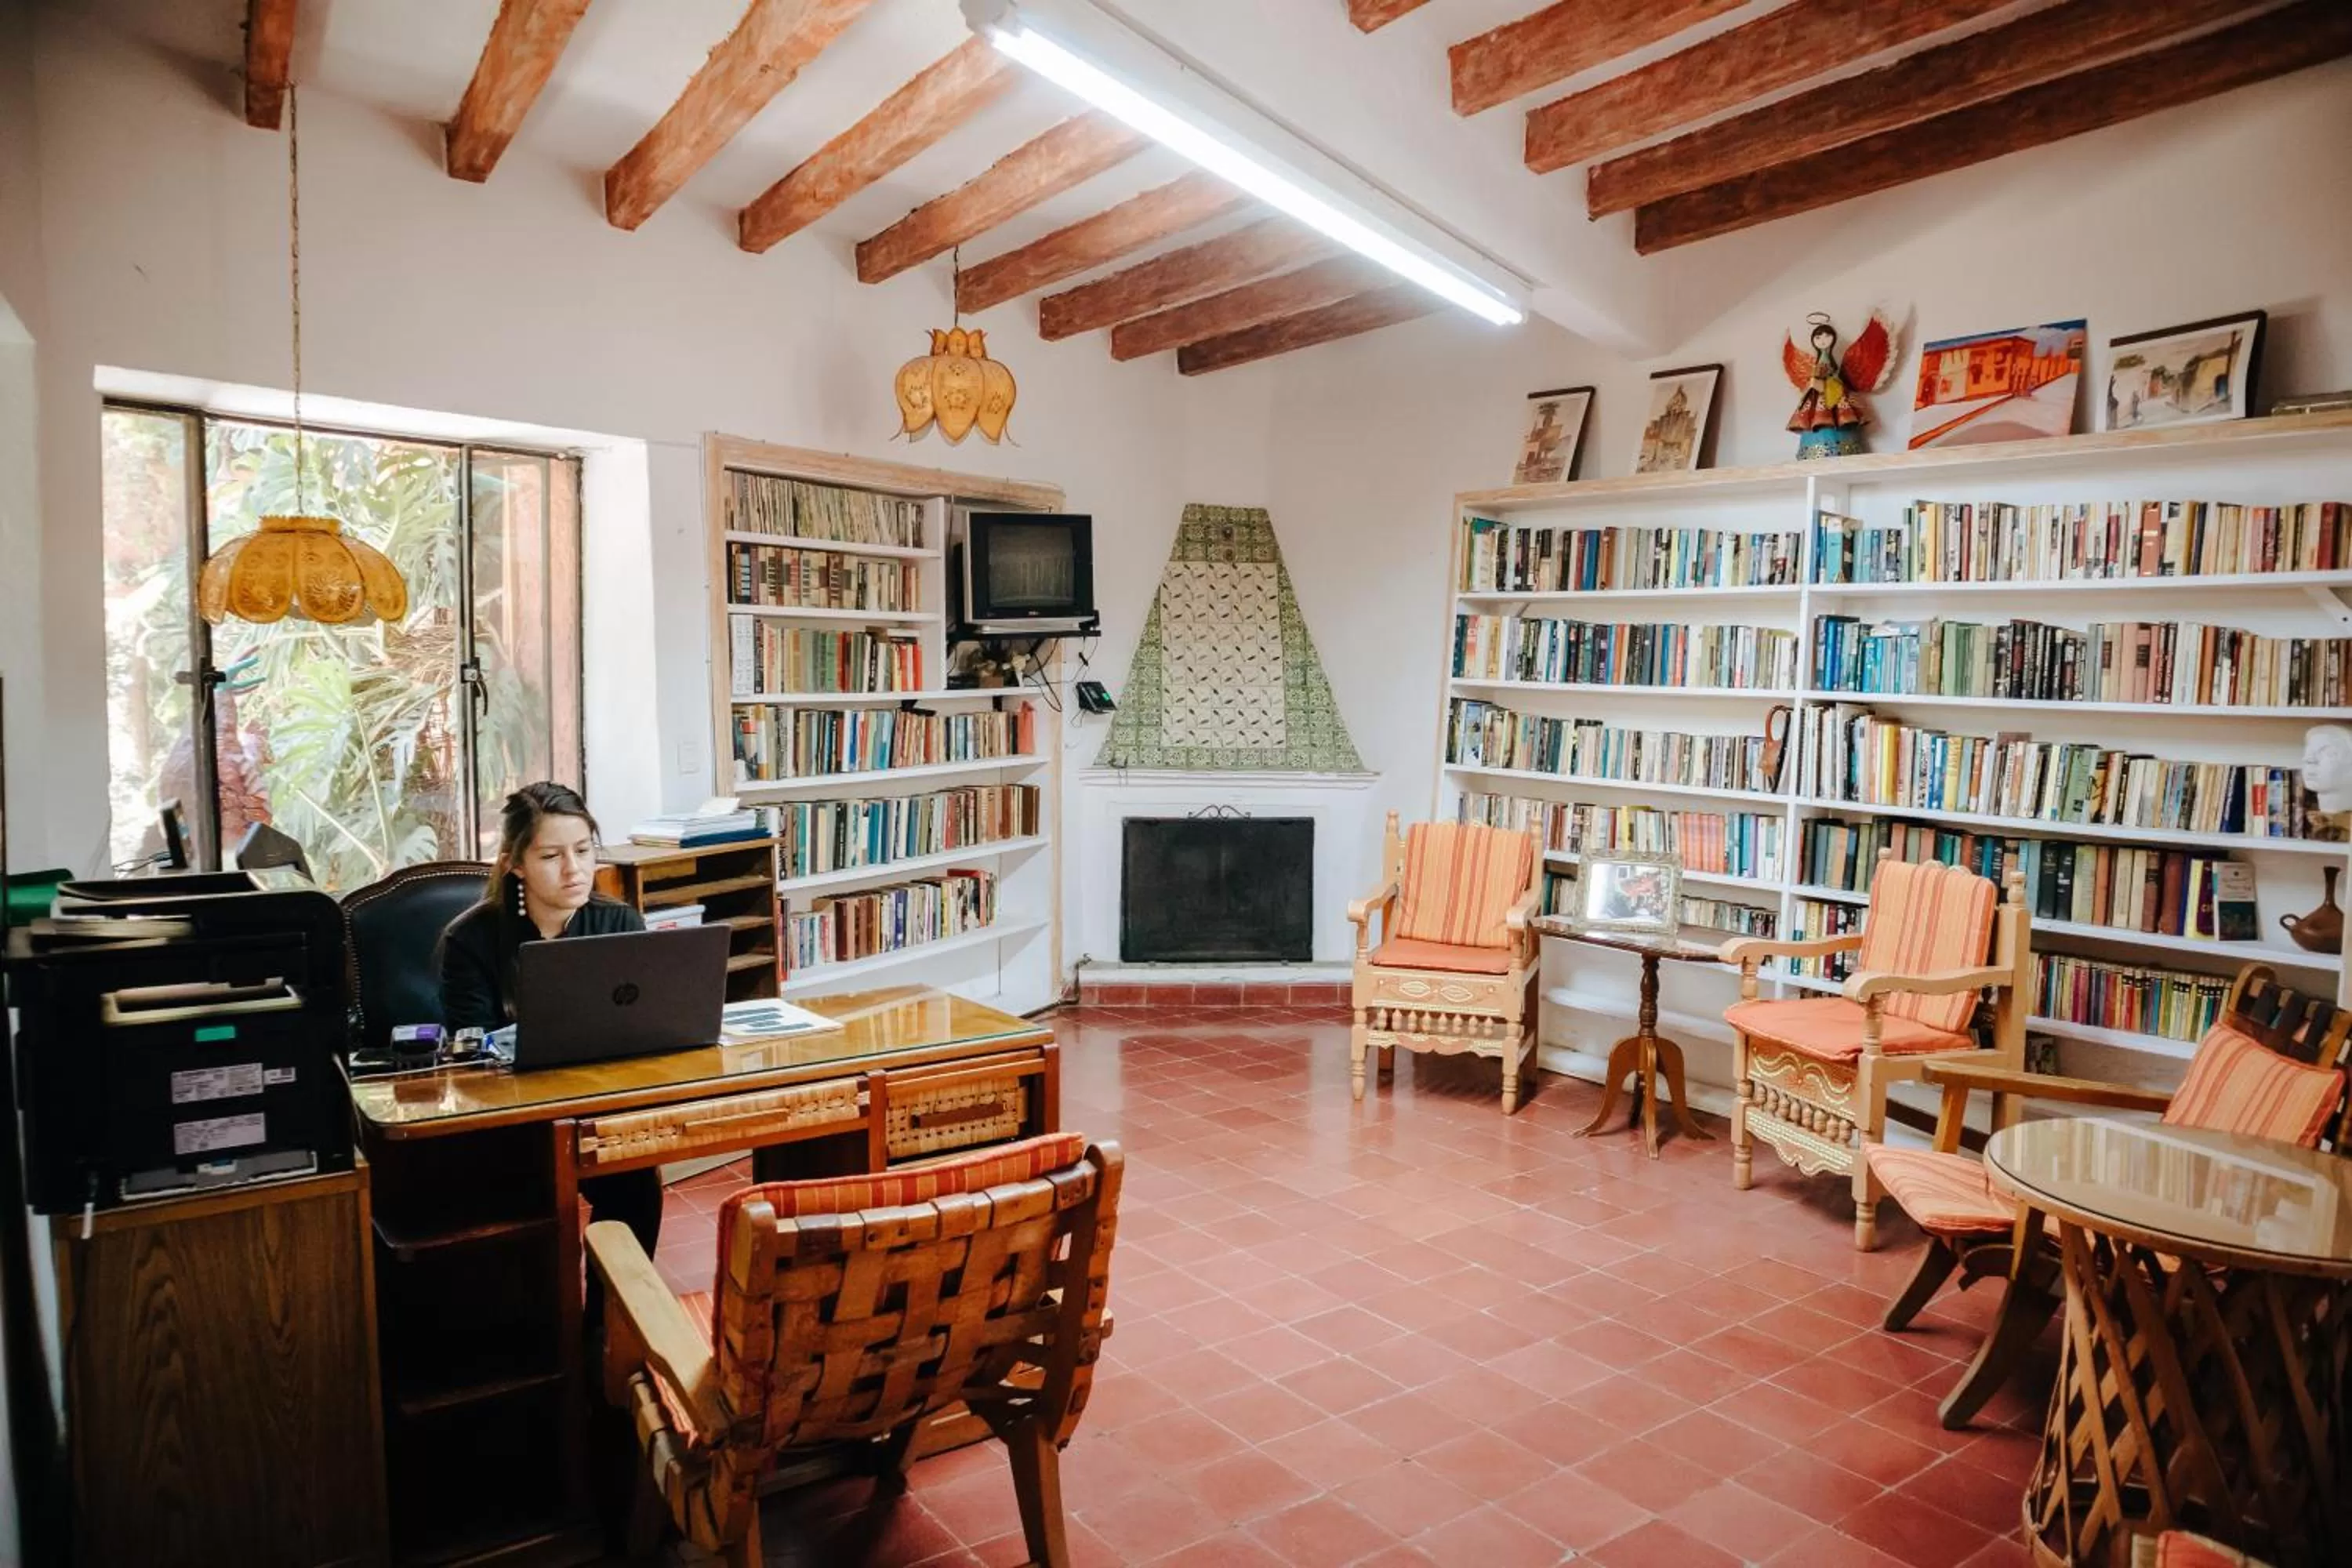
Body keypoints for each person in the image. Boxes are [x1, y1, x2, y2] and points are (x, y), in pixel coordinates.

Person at [437, 782, 663, 1261]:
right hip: (514, 1121)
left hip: (600, 1108)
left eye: (583, 851)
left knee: (637, 1189)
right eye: (550, 857)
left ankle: (606, 1324)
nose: (574, 870)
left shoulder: (618, 923)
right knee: (537, 1224)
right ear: (514, 864)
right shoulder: (470, 941)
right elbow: (471, 1055)